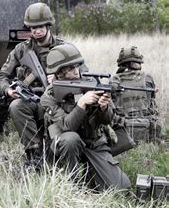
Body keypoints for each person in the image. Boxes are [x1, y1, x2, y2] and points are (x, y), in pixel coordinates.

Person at [40, 44, 131, 191]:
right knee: (70, 139)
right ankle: (70, 185)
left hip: (93, 143)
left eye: (76, 66)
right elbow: (66, 126)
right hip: (65, 145)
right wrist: (81, 103)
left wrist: (104, 107)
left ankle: (91, 176)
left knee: (120, 188)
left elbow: (108, 120)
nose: (76, 71)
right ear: (59, 73)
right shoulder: (49, 96)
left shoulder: (91, 84)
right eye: (70, 69)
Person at [0, 2, 66, 170]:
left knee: (55, 159)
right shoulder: (21, 50)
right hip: (32, 100)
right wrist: (8, 89)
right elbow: (1, 76)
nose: (36, 31)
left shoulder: (64, 48)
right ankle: (33, 156)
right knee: (16, 106)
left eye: (40, 26)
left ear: (48, 25)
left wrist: (59, 79)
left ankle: (55, 154)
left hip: (58, 102)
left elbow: (81, 75)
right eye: (32, 27)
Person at [111, 46, 161, 143]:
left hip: (123, 131)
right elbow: (152, 105)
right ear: (138, 62)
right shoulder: (147, 79)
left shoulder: (113, 81)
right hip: (147, 130)